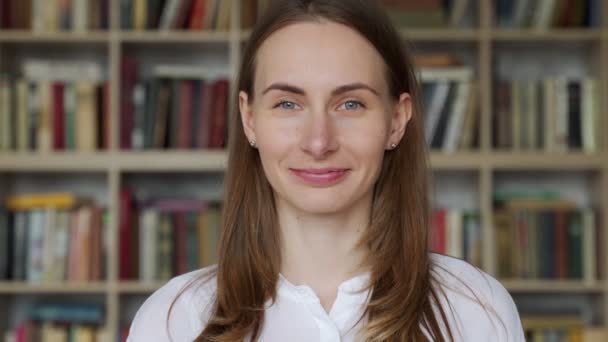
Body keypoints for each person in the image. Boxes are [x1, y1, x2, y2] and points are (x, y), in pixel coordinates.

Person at [127, 0, 525, 341]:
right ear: (249, 120)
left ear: (397, 120)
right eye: (287, 104)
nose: (318, 142)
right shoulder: (173, 321)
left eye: (350, 104)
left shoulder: (476, 309)